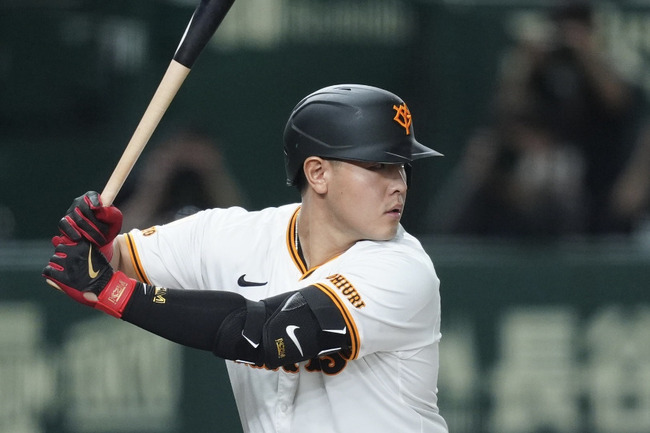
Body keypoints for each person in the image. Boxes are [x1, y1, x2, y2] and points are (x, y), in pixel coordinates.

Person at [42, 84, 449, 433]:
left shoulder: (404, 269)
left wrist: (109, 290)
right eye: (379, 166)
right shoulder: (232, 235)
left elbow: (268, 334)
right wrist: (91, 243)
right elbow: (102, 263)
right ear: (317, 173)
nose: (399, 184)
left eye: (402, 167)